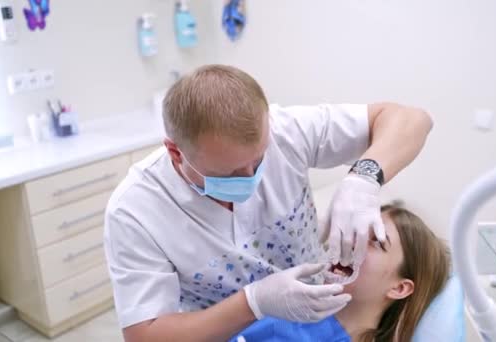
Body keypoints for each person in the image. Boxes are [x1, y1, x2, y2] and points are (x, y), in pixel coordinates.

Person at [104, 65, 433, 341]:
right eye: (231, 171)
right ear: (176, 152)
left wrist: (364, 178)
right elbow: (144, 335)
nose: (251, 177)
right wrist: (254, 302)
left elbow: (413, 119)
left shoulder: (286, 130)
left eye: (259, 159)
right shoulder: (135, 211)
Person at [231, 201, 451, 342]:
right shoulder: (289, 306)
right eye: (360, 231)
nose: (352, 241)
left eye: (376, 242)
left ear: (399, 288)